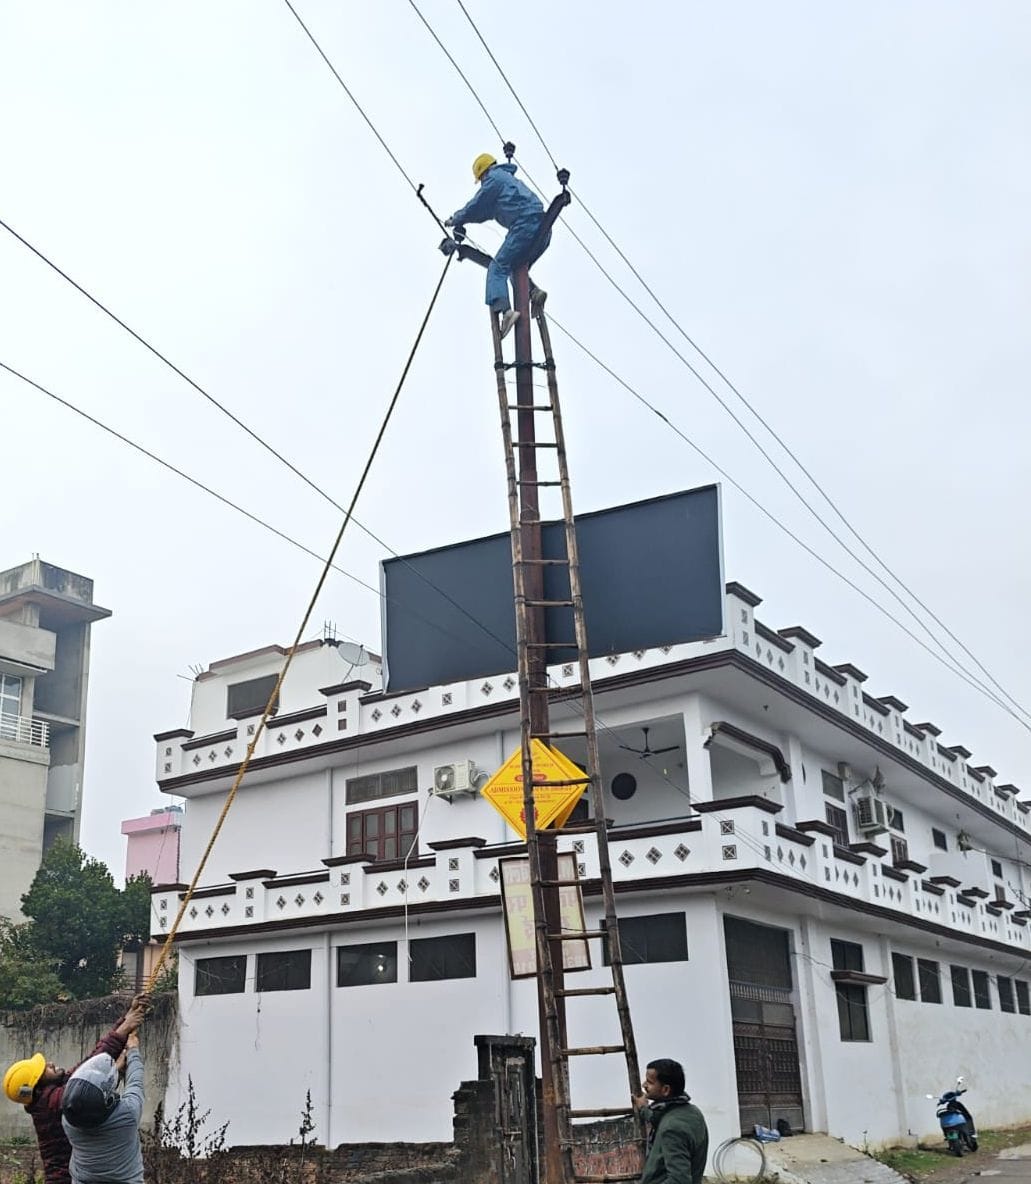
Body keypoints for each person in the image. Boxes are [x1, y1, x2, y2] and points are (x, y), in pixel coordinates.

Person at [2, 996, 148, 1184]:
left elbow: (88, 1065)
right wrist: (125, 1028)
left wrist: (126, 1019)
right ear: (38, 1084)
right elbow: (92, 1066)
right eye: (43, 1068)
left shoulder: (49, 1098)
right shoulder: (55, 1103)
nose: (50, 1063)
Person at [445, 152, 550, 339]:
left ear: (483, 174)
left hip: (525, 225)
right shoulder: (506, 182)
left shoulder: (494, 178)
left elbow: (476, 204)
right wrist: (463, 221)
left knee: (497, 268)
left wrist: (456, 218)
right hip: (542, 230)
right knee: (512, 269)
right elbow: (482, 212)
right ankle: (534, 292)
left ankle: (505, 311)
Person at [61, 1030, 144, 1184]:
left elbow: (93, 1098)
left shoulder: (69, 1121)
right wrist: (133, 1050)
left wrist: (115, 1070)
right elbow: (135, 1080)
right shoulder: (128, 1115)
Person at [632, 1058, 709, 1184]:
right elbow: (661, 1119)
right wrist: (644, 1110)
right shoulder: (691, 1112)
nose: (644, 1085)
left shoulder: (672, 1129)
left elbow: (679, 1180)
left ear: (666, 1090)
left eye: (650, 1082)